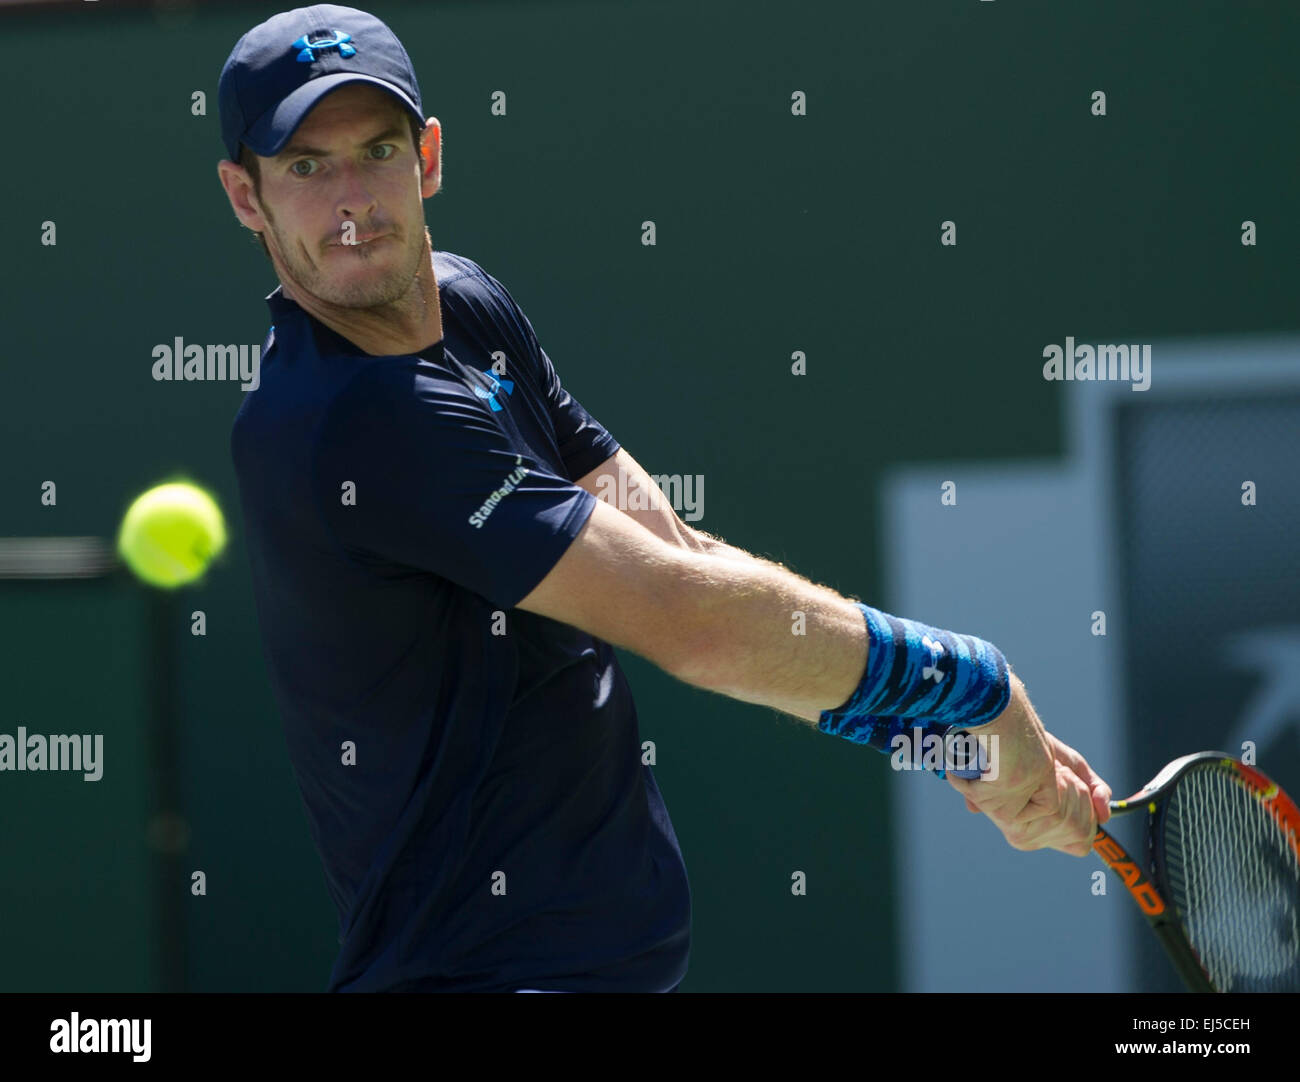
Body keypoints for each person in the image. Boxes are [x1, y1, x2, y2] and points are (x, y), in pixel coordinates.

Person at [218, 5, 1111, 994]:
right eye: (304, 166)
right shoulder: (353, 421)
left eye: (376, 151)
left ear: (427, 157)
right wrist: (970, 685)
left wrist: (928, 727)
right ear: (245, 196)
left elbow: (671, 546)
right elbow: (693, 624)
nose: (350, 200)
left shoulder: (463, 299)